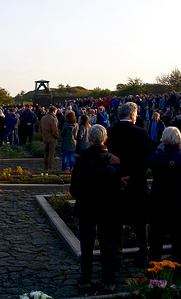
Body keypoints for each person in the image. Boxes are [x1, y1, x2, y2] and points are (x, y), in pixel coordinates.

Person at [70, 125, 121, 294]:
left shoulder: (81, 160)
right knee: (108, 244)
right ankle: (108, 281)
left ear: (89, 139)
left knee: (87, 244)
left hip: (87, 207)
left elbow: (74, 189)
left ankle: (86, 279)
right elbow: (120, 187)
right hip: (108, 209)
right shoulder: (114, 160)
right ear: (105, 139)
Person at [106, 102, 152, 265]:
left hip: (115, 181)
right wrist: (131, 175)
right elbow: (147, 158)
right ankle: (143, 252)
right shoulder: (141, 133)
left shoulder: (109, 132)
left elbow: (106, 158)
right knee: (140, 219)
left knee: (116, 219)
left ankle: (117, 253)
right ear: (132, 115)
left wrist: (120, 175)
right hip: (136, 181)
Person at [147, 127, 181, 269]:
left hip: (160, 206)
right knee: (178, 243)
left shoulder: (157, 157)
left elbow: (149, 160)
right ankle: (178, 273)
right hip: (180, 205)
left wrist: (162, 144)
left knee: (156, 243)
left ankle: (154, 274)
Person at [40, 106, 59, 171]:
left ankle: (45, 166)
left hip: (45, 137)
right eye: (56, 112)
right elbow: (54, 130)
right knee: (51, 153)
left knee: (46, 152)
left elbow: (40, 128)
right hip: (51, 137)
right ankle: (49, 167)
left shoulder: (43, 118)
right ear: (53, 111)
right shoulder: (53, 119)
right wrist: (57, 136)